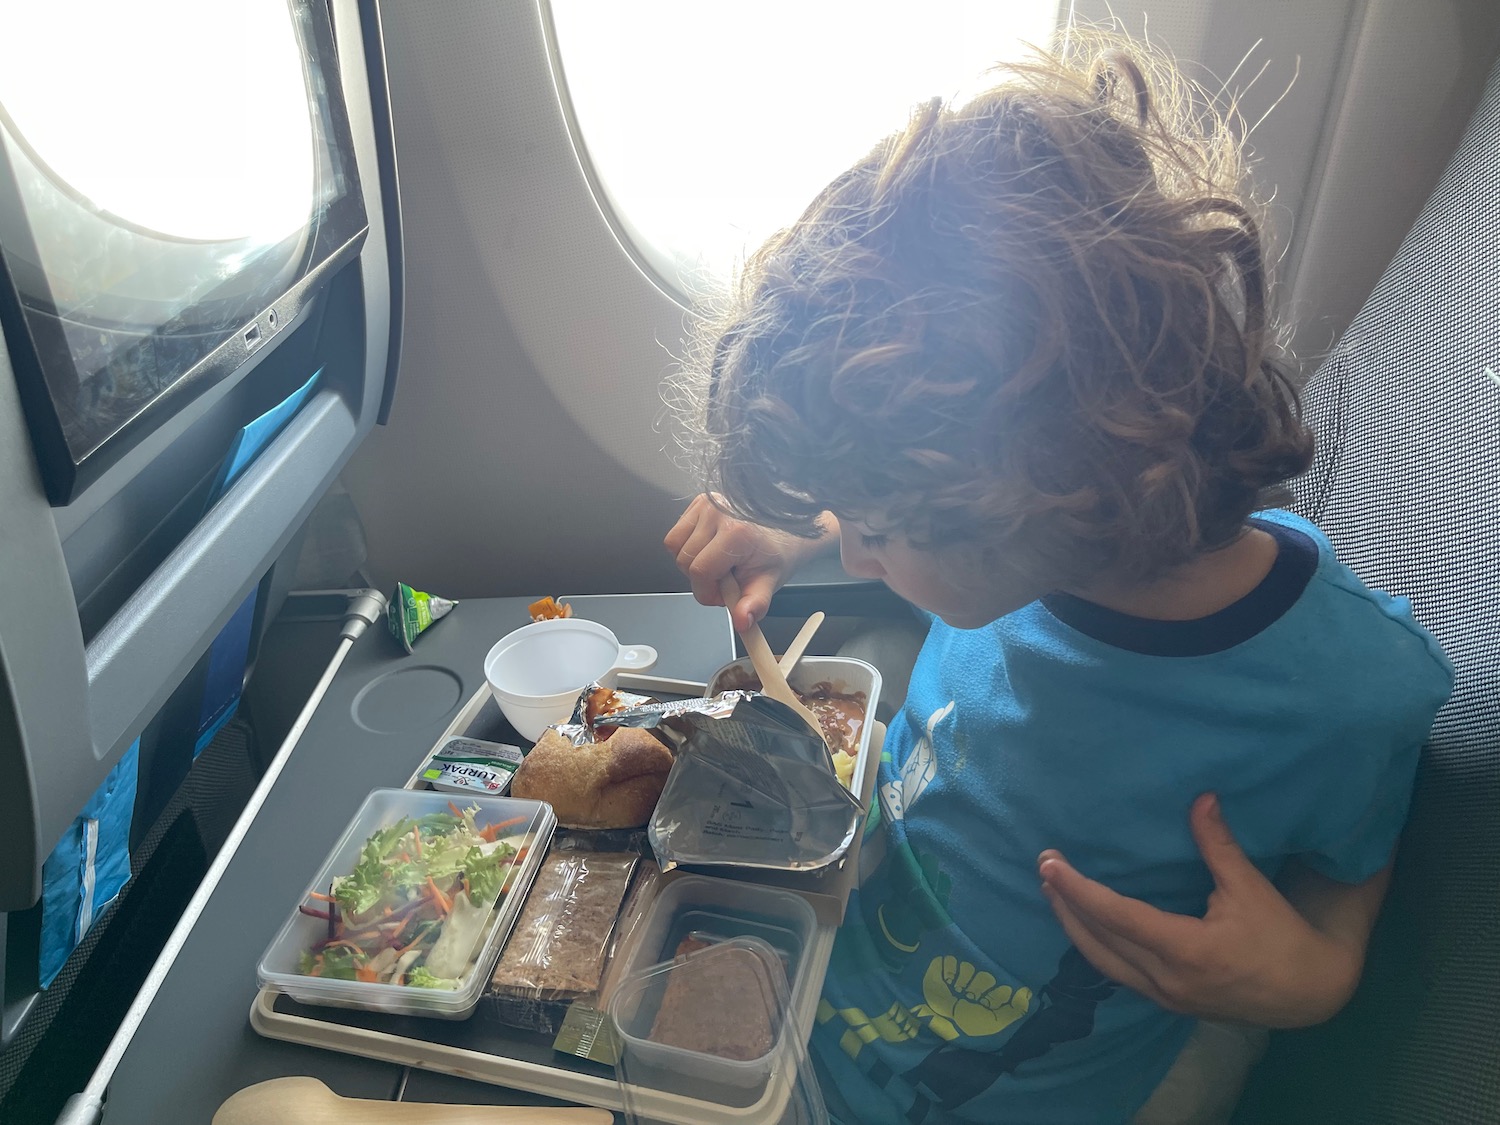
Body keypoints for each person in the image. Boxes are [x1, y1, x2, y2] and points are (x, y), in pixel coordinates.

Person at [663, 32, 1453, 1125]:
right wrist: (802, 522)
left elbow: (1352, 854)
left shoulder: (1350, 689)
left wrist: (1319, 980)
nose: (859, 557)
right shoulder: (1035, 532)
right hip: (814, 994)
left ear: (1036, 499)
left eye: (878, 529)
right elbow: (944, 528)